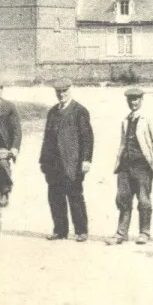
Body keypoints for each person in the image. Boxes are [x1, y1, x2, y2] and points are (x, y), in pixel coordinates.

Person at [106, 88, 153, 246]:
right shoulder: (126, 120)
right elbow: (123, 142)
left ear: (141, 100)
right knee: (123, 198)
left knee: (144, 200)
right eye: (130, 99)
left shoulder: (148, 119)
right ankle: (121, 233)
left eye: (136, 99)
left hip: (142, 166)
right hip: (125, 165)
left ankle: (144, 232)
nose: (133, 102)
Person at [39, 79, 94, 242]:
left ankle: (81, 231)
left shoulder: (80, 111)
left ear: (70, 90)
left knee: (75, 196)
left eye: (64, 91)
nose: (61, 95)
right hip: (53, 163)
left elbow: (87, 138)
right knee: (55, 197)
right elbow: (46, 138)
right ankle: (60, 230)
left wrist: (86, 160)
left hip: (72, 163)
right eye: (58, 92)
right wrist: (43, 160)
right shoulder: (52, 112)